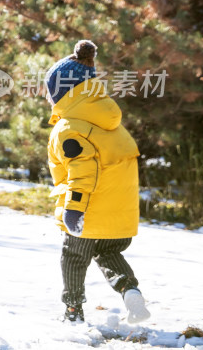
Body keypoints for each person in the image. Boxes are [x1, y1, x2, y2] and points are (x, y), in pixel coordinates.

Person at [45, 40, 151, 324]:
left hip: (87, 213)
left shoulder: (68, 129)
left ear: (63, 93)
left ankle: (72, 310)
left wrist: (74, 209)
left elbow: (82, 171)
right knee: (108, 252)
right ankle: (130, 291)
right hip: (120, 218)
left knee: (75, 257)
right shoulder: (112, 123)